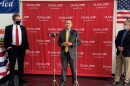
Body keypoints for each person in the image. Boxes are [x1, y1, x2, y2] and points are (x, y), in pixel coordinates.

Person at [4, 14, 29, 86]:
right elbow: (6, 39)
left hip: (21, 48)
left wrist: (27, 48)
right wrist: (7, 47)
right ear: (14, 20)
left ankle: (21, 77)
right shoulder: (8, 28)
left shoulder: (23, 28)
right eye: (18, 19)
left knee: (21, 64)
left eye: (20, 19)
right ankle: (11, 79)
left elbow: (25, 39)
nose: (19, 20)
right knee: (12, 64)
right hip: (12, 48)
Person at [58, 19, 81, 86]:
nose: (68, 24)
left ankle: (74, 82)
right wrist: (62, 44)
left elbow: (79, 42)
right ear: (64, 24)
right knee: (63, 69)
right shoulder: (61, 32)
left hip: (72, 54)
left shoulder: (75, 32)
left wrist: (71, 44)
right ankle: (62, 83)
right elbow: (58, 43)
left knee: (73, 69)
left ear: (71, 24)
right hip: (64, 53)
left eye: (69, 23)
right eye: (66, 23)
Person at [112, 20, 130, 86]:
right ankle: (116, 80)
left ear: (129, 25)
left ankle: (126, 81)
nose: (124, 25)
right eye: (124, 24)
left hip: (127, 53)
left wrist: (124, 48)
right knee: (118, 67)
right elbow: (116, 41)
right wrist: (118, 47)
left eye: (125, 24)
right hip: (119, 52)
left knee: (127, 68)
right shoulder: (120, 32)